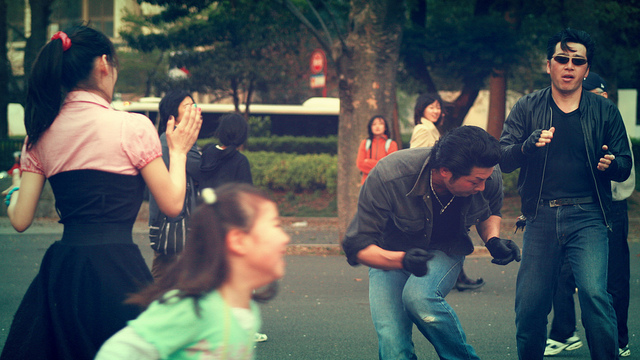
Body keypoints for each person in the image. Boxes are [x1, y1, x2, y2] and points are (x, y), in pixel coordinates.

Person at [0, 25, 201, 360]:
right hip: (118, 270)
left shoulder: (38, 136)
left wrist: (16, 189)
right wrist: (178, 151)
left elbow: (20, 219)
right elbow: (172, 203)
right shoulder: (133, 127)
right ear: (104, 65)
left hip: (62, 274)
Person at [499, 29, 632, 359]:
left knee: (594, 296)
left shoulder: (605, 111)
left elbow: (626, 163)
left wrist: (612, 165)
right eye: (562, 59)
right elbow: (502, 156)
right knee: (530, 307)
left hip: (588, 216)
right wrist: (527, 146)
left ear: (586, 69)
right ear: (549, 65)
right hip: (540, 217)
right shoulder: (528, 107)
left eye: (578, 61)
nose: (569, 66)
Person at [342, 125, 521, 359]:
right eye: (475, 181)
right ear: (445, 171)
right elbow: (357, 246)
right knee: (393, 342)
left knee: (420, 298)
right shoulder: (390, 174)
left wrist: (493, 240)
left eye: (485, 180)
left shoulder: (487, 172)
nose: (482, 187)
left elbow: (490, 210)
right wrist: (402, 260)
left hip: (444, 249)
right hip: (390, 253)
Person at [95, 184, 290, 359]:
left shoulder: (247, 310)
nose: (285, 238)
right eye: (276, 225)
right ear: (238, 241)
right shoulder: (193, 307)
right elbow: (118, 352)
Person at [544, 72, 635, 357]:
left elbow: (624, 173)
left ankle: (619, 339)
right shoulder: (574, 121)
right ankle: (563, 332)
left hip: (610, 209)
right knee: (562, 273)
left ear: (603, 95)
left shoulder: (611, 122)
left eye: (592, 93)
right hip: (578, 207)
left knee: (612, 279)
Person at [410, 93, 485, 292]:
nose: (436, 111)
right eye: (431, 107)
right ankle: (452, 277)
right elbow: (416, 158)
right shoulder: (423, 129)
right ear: (421, 109)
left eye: (438, 108)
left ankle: (455, 276)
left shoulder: (432, 128)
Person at [148, 90, 202, 282]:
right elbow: (199, 169)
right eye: (187, 107)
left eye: (194, 105)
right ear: (173, 117)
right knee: (164, 275)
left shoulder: (179, 141)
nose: (195, 110)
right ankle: (154, 307)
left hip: (174, 219)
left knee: (168, 272)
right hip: (170, 220)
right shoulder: (168, 142)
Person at [199, 113, 252, 189]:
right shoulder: (240, 161)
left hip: (204, 200)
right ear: (243, 135)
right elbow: (247, 194)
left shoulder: (207, 153)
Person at [356, 115, 398, 185]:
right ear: (370, 127)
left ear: (385, 127)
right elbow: (360, 164)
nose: (377, 127)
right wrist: (382, 164)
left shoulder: (391, 144)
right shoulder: (365, 143)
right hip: (367, 183)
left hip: (384, 184)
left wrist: (368, 162)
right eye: (374, 124)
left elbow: (390, 166)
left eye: (381, 124)